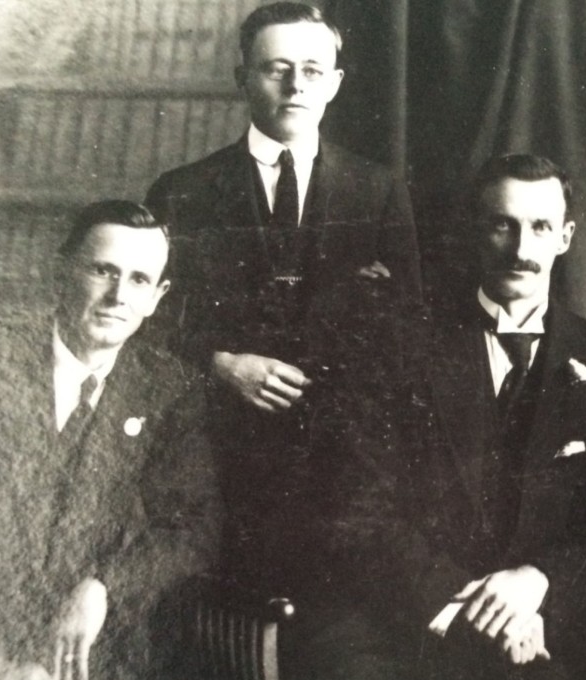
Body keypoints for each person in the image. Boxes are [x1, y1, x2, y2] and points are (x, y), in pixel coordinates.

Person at [280, 153, 586, 680]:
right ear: (475, 233)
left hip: (514, 628)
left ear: (566, 237)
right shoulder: (395, 344)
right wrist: (466, 599)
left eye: (539, 228)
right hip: (381, 624)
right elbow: (356, 514)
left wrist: (538, 582)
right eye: (501, 227)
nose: (520, 249)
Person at [0, 201, 221, 680]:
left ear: (158, 298)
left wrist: (104, 587)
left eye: (140, 280)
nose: (118, 295)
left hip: (104, 664)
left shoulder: (170, 390)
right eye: (102, 271)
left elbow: (193, 532)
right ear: (60, 271)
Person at [144, 1, 420, 587]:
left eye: (313, 71)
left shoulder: (378, 191)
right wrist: (221, 365)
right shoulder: (183, 192)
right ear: (242, 76)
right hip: (215, 454)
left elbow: (407, 323)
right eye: (276, 68)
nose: (296, 85)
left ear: (336, 83)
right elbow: (146, 328)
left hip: (339, 467)